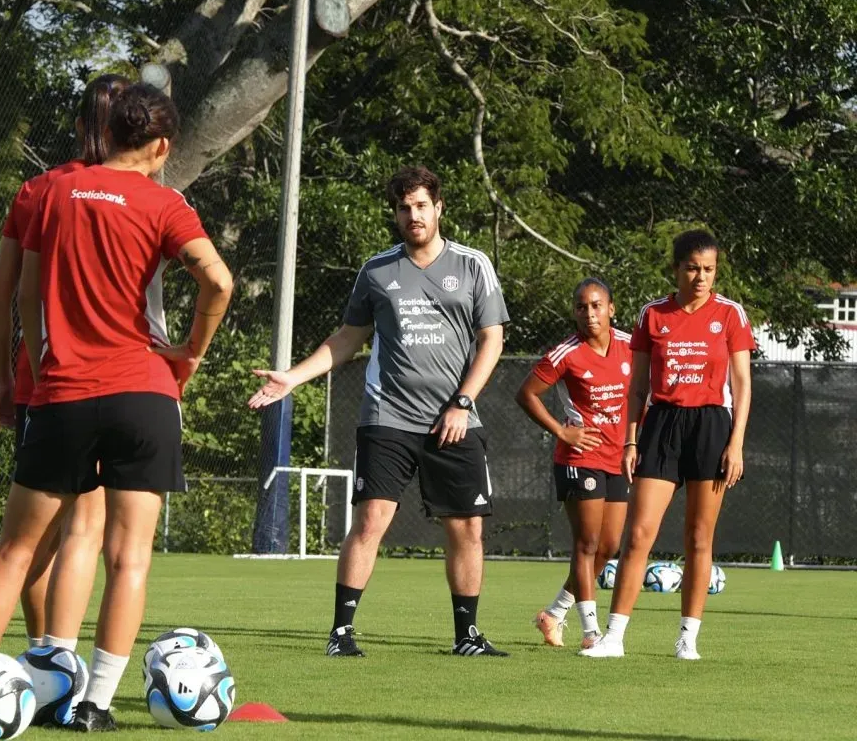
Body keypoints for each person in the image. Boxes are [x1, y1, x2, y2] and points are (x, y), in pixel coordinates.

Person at [0, 82, 233, 733]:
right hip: (145, 393)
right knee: (127, 558)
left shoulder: (46, 193)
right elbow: (218, 280)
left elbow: (19, 293)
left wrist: (32, 365)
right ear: (160, 146)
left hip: (64, 392)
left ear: (105, 134)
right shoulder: (165, 203)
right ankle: (94, 705)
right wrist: (190, 349)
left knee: (16, 552)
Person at [0, 73, 127, 724]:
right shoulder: (141, 194)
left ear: (76, 124)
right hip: (112, 384)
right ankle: (64, 675)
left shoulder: (40, 190)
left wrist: (10, 378)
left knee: (24, 538)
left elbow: (4, 295)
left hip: (43, 384)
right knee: (82, 533)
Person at [249, 165, 510, 658]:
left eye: (421, 206)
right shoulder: (376, 270)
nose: (413, 215)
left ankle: (466, 636)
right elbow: (347, 339)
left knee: (467, 528)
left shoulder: (473, 265)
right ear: (395, 214)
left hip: (455, 420)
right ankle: (341, 633)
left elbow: (491, 340)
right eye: (403, 208)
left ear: (439, 208)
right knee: (370, 522)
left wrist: (461, 402)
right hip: (387, 416)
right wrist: (292, 377)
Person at [580, 229, 753, 660]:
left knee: (698, 537)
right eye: (692, 268)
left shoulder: (731, 315)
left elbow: (743, 386)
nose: (700, 277)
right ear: (676, 268)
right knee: (638, 535)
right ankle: (614, 637)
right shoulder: (651, 315)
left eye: (709, 269)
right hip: (661, 425)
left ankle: (687, 639)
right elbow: (636, 387)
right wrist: (631, 441)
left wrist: (736, 444)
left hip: (712, 424)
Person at [516, 278, 631, 650]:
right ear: (574, 312)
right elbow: (527, 394)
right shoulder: (566, 353)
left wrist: (633, 441)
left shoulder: (631, 346)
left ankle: (553, 614)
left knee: (609, 547)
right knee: (587, 543)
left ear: (611, 309)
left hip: (617, 458)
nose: (590, 313)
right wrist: (561, 432)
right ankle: (591, 631)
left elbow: (645, 391)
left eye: (597, 305)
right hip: (579, 459)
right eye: (582, 307)